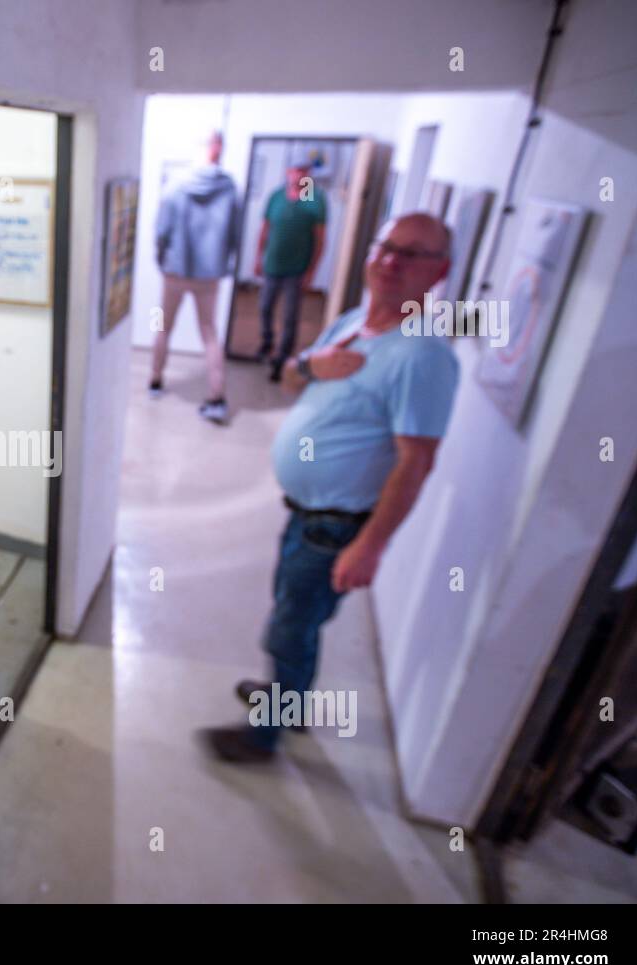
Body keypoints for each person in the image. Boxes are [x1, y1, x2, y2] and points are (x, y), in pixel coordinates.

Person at [198, 213, 458, 762]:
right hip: (307, 512)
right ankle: (287, 703)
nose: (391, 261)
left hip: (336, 525)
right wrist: (315, 365)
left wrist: (370, 545)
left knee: (290, 627)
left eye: (411, 254)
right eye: (385, 246)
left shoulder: (423, 356)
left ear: (440, 272)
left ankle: (265, 735)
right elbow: (292, 375)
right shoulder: (353, 320)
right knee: (294, 611)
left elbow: (417, 462)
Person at [152, 130, 242, 425]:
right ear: (220, 150)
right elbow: (235, 235)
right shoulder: (229, 188)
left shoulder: (177, 185)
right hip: (208, 275)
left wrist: (161, 259)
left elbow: (161, 230)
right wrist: (223, 264)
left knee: (163, 325)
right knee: (210, 333)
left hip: (175, 271)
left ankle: (155, 380)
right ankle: (216, 398)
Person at [253, 163, 326, 382]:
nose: (299, 176)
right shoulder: (276, 196)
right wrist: (258, 258)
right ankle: (267, 343)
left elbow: (320, 240)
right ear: (288, 173)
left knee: (289, 316)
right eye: (295, 171)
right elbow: (265, 229)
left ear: (309, 176)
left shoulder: (315, 200)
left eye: (303, 173)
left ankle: (281, 358)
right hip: (272, 266)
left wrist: (312, 271)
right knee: (264, 307)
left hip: (296, 270)